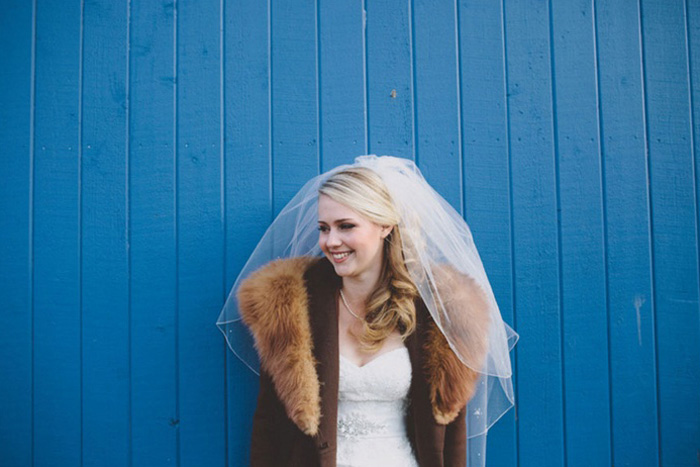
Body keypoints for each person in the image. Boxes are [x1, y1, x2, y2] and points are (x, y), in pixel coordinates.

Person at [217, 155, 517, 467]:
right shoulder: (290, 309)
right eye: (323, 228)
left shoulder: (439, 313)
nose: (331, 241)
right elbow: (269, 428)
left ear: (385, 225)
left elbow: (451, 433)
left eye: (346, 226)